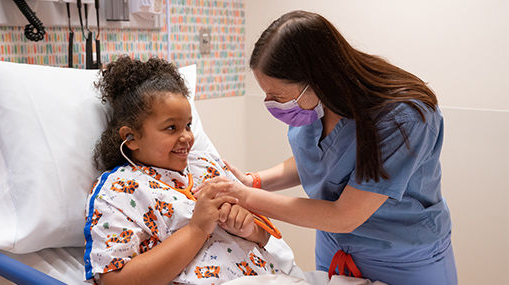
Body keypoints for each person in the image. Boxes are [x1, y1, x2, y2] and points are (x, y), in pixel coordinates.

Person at [195, 10, 458, 285]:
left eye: (277, 96)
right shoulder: (315, 106)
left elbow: (344, 216)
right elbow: (318, 160)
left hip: (402, 259)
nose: (270, 103)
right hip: (335, 249)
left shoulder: (403, 117)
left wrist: (245, 196)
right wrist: (255, 181)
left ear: (317, 80)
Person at [83, 56, 290, 284]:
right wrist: (196, 229)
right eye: (171, 128)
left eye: (188, 126)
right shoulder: (118, 191)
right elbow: (115, 280)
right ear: (130, 138)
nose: (187, 137)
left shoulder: (208, 165)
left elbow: (264, 234)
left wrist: (247, 227)